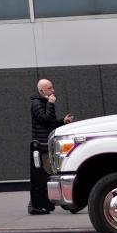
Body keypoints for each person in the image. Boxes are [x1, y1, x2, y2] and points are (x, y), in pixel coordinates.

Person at [28, 78, 70, 215]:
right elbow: (45, 119)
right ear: (41, 91)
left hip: (46, 144)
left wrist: (63, 121)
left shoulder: (44, 102)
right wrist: (51, 104)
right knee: (43, 175)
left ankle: (39, 204)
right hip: (42, 145)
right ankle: (35, 205)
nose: (53, 90)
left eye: (52, 87)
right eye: (49, 88)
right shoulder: (36, 103)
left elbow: (50, 124)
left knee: (44, 175)